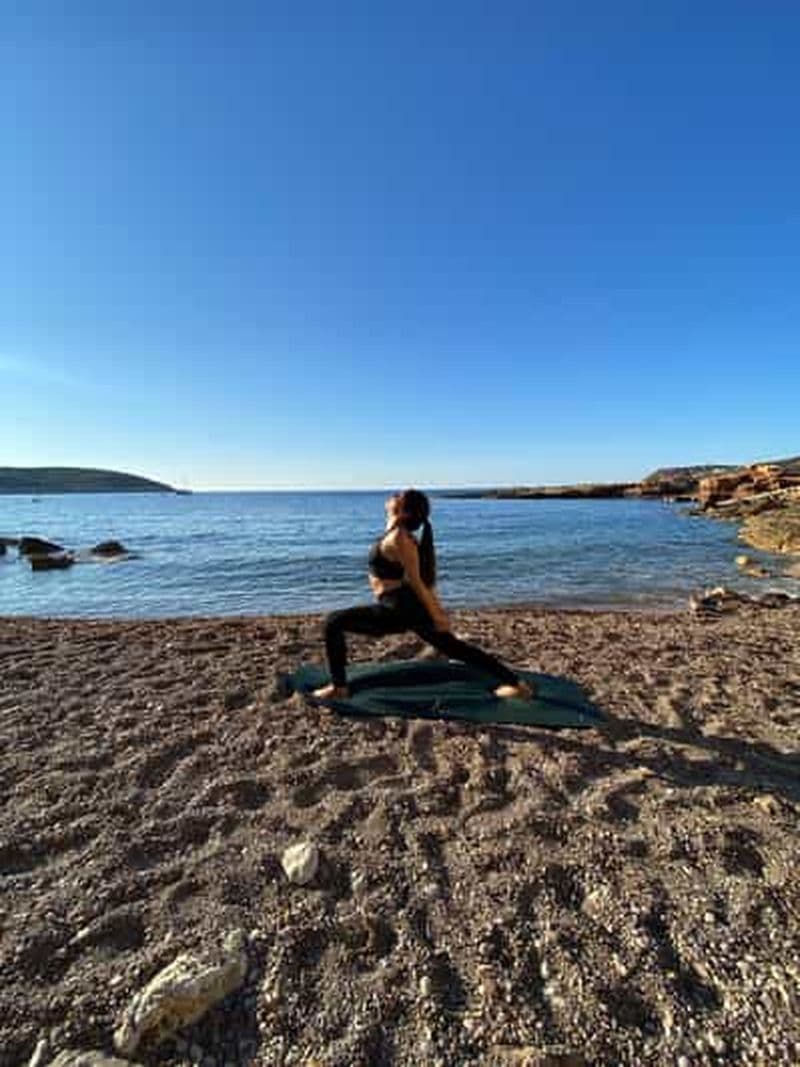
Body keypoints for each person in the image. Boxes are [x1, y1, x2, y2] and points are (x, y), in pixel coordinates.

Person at [313, 488, 534, 700]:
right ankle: (516, 684)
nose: (393, 495)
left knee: (333, 623)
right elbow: (420, 581)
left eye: (398, 496)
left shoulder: (401, 539)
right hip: (402, 605)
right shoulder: (399, 534)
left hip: (399, 608)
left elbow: (418, 583)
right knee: (456, 649)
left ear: (403, 510)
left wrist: (438, 615)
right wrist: (435, 612)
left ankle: (339, 688)